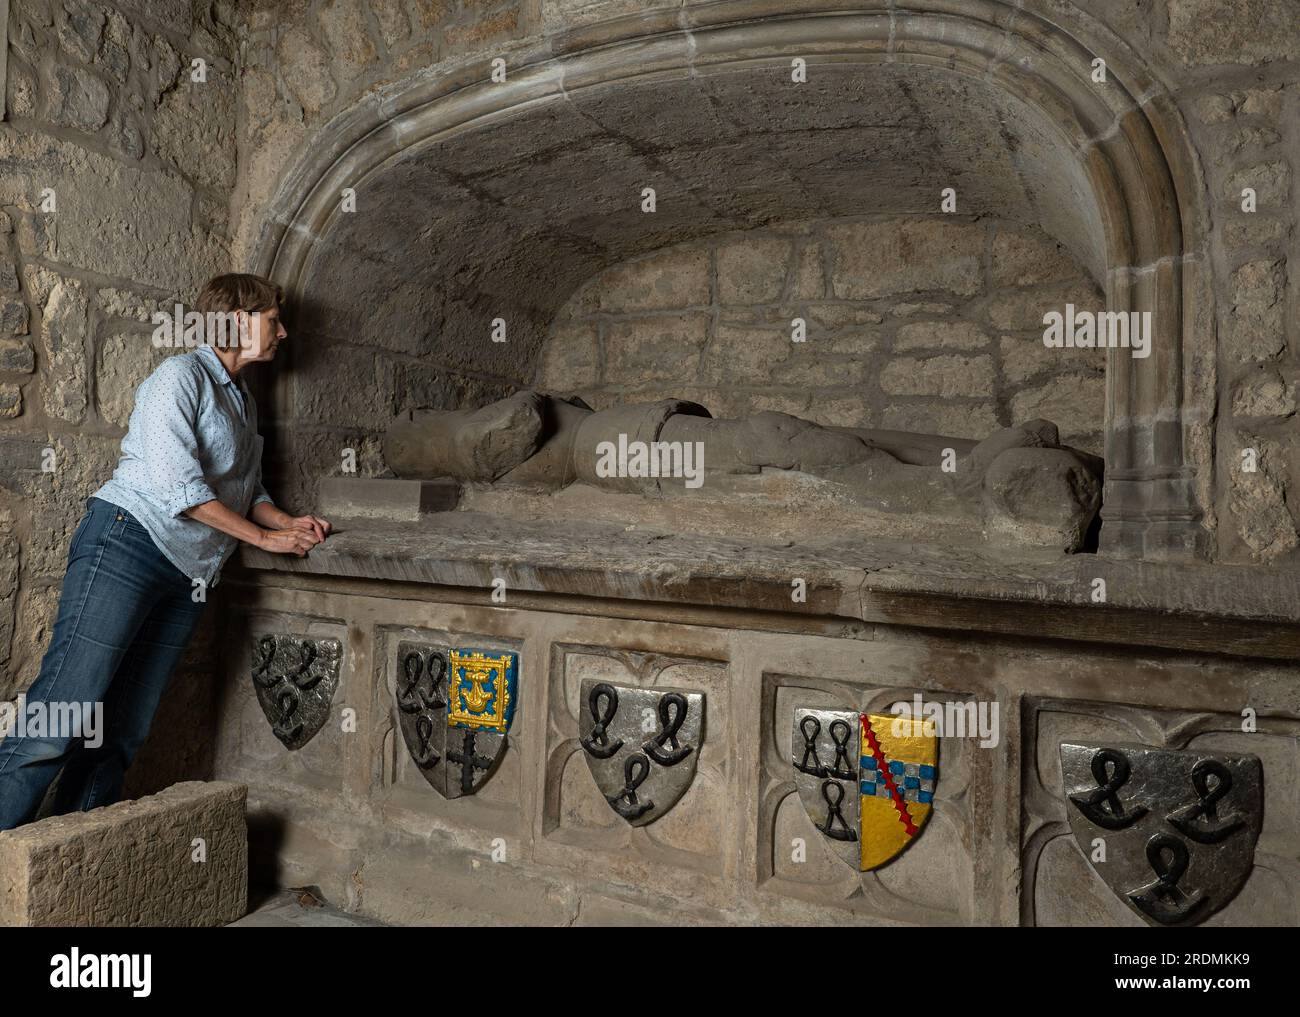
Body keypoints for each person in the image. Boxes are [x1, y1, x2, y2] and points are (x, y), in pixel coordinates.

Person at [0, 273, 330, 830]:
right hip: (127, 546)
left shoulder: (242, 400)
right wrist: (266, 540)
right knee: (65, 707)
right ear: (237, 320)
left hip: (189, 574)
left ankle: (70, 864)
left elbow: (246, 491)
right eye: (274, 319)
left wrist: (287, 522)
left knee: (122, 730)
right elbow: (182, 490)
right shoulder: (179, 378)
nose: (284, 331)